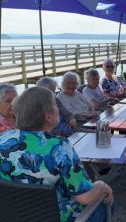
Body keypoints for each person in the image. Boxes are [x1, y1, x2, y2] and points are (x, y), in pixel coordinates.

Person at [0, 86, 113, 222]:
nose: (58, 108)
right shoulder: (59, 146)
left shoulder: (4, 139)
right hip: (59, 217)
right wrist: (102, 185)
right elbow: (84, 197)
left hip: (15, 215)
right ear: (48, 116)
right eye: (55, 105)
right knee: (106, 201)